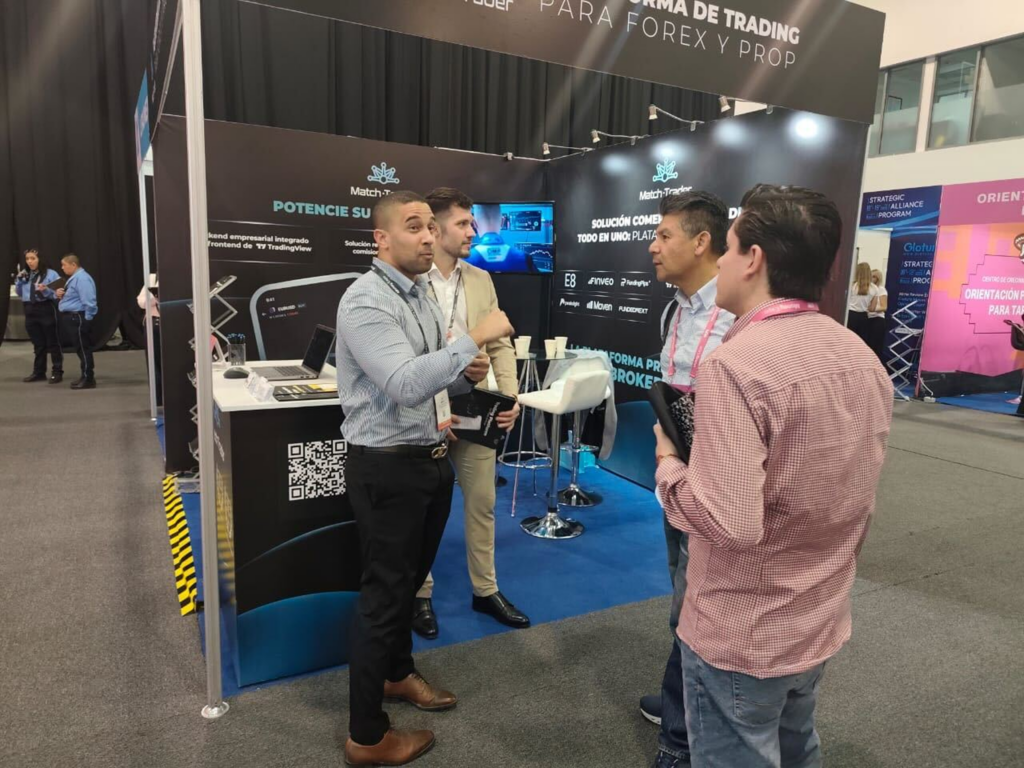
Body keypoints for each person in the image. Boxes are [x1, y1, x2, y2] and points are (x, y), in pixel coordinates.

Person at [654, 184, 893, 768]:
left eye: (730, 248)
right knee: (796, 743)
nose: (721, 263)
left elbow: (726, 522)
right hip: (818, 614)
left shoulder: (737, 366)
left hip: (743, 630)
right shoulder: (859, 356)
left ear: (753, 259)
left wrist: (668, 465)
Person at [336, 190, 515, 766]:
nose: (427, 237)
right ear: (381, 238)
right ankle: (367, 736)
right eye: (414, 226)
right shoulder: (366, 300)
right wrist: (474, 338)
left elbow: (433, 382)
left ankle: (397, 673)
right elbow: (404, 383)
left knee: (408, 582)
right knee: (384, 596)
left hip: (429, 457)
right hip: (387, 466)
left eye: (430, 228)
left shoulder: (418, 296)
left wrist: (468, 375)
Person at [411, 187, 530, 639]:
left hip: (476, 408)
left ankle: (486, 589)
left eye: (472, 223)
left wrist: (511, 397)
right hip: (423, 410)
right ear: (435, 228)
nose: (472, 232)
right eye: (463, 223)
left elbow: (500, 344)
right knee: (423, 509)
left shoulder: (480, 278)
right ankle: (419, 593)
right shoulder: (409, 280)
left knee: (482, 504)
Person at [642, 191, 735, 768]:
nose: (652, 247)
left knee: (695, 604)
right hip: (675, 472)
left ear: (702, 242)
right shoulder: (674, 309)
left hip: (718, 480)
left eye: (664, 236)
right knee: (681, 588)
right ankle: (680, 698)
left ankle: (681, 734)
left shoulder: (735, 313)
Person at [14, 248, 64, 383]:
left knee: (52, 343)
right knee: (38, 343)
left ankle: (57, 372)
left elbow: (58, 293)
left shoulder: (51, 274)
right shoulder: (25, 273)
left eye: (33, 258)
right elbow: (20, 293)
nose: (29, 262)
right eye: (27, 259)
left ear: (39, 259)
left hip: (45, 308)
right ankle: (39, 372)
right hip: (29, 309)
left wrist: (45, 290)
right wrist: (19, 281)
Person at [55, 253, 98, 389]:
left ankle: (88, 378)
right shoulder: (75, 278)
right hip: (74, 317)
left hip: (78, 317)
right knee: (80, 349)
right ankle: (85, 375)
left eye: (64, 265)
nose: (62, 268)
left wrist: (87, 318)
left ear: (73, 264)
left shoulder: (82, 279)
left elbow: (89, 301)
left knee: (83, 349)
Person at [846, 261, 879, 349]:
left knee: (848, 341)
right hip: (863, 317)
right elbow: (872, 308)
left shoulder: (852, 286)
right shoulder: (875, 288)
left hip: (851, 315)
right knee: (860, 343)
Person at [868, 268, 889, 366]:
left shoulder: (881, 290)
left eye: (873, 277)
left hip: (877, 320)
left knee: (875, 346)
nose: (871, 278)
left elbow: (884, 307)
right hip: (867, 319)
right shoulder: (868, 288)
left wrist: (871, 309)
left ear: (878, 278)